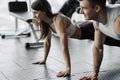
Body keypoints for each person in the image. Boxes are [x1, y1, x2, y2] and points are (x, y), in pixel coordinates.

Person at [31, 0, 120, 78]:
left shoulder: (58, 19)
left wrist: (68, 69)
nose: (34, 15)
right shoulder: (47, 23)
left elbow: (64, 47)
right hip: (85, 29)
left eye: (35, 12)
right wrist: (44, 59)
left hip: (87, 30)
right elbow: (47, 42)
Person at [78, 0, 120, 80]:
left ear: (97, 8)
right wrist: (94, 74)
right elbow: (98, 48)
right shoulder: (96, 21)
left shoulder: (117, 22)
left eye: (84, 8)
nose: (81, 11)